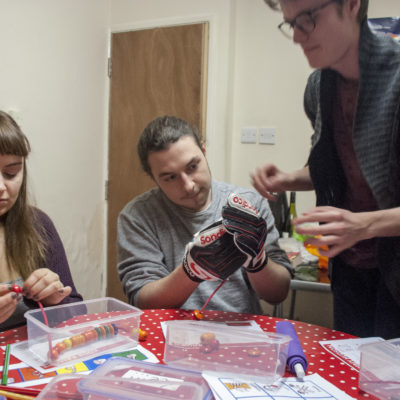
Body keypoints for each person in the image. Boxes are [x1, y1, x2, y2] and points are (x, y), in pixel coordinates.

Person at [252, 0, 400, 338]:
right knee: (354, 379)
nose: (297, 37)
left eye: (307, 19)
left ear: (351, 5)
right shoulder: (318, 87)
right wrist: (289, 178)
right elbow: (342, 170)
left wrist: (364, 225)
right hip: (349, 268)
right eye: (291, 24)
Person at [117, 115, 292, 314]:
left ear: (204, 151)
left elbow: (278, 294)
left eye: (192, 167)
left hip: (243, 334)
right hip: (171, 335)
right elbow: (145, 301)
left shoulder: (249, 203)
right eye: (170, 177)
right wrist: (190, 271)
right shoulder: (137, 216)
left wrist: (257, 261)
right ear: (153, 178)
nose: (188, 185)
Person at [0, 111, 82, 331]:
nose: (1, 188)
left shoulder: (38, 225)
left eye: (11, 173)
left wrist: (55, 300)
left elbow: (76, 311)